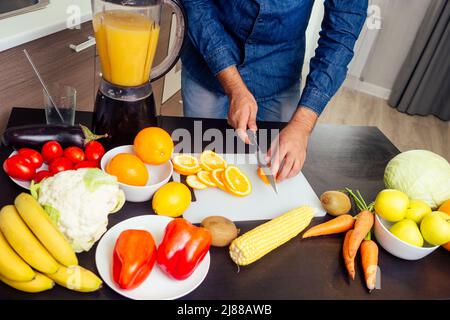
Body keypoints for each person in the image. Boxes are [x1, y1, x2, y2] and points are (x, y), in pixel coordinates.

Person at [180, 0, 368, 181]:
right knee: (198, 158)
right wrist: (234, 86)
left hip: (280, 72)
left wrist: (302, 125)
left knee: (274, 167)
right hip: (207, 59)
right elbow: (195, 4)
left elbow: (342, 34)